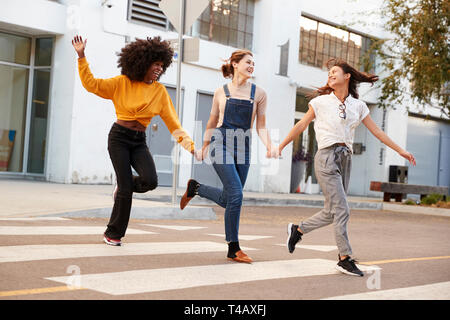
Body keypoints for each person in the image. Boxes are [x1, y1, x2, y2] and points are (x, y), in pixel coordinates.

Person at [278, 58, 416, 276]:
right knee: (342, 208)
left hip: (345, 158)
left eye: (334, 72)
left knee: (332, 211)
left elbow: (378, 132)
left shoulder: (358, 106)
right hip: (326, 157)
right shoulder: (321, 102)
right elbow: (302, 124)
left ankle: (298, 229)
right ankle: (344, 258)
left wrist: (400, 150)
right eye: (329, 72)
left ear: (347, 76)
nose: (330, 75)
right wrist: (282, 145)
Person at [72, 35, 196, 246]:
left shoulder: (159, 91)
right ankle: (113, 233)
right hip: (119, 137)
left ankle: (122, 186)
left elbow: (173, 124)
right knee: (127, 188)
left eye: (161, 65)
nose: (158, 68)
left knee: (150, 181)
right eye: (154, 64)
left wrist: (190, 147)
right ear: (142, 62)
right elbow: (92, 85)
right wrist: (82, 56)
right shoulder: (122, 83)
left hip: (139, 140)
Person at [180, 50, 278, 263]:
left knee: (230, 198)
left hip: (244, 146)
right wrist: (204, 147)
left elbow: (260, 126)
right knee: (236, 194)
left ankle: (196, 188)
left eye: (253, 63)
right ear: (234, 64)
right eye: (247, 62)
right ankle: (233, 247)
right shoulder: (220, 92)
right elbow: (212, 121)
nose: (252, 66)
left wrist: (270, 146)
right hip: (220, 142)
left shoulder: (259, 93)